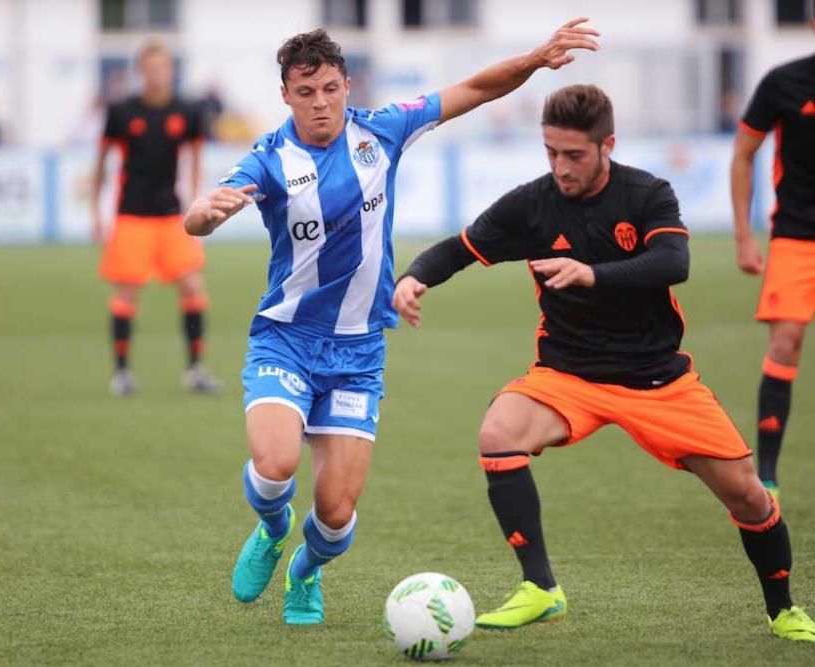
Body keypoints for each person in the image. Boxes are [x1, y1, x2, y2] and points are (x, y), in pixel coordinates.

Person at [183, 22, 599, 625]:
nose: (320, 102)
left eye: (330, 88)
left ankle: (306, 570)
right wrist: (201, 214)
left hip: (358, 354)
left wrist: (535, 59)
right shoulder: (269, 158)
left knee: (334, 512)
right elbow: (205, 213)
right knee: (275, 467)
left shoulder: (382, 130)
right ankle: (272, 530)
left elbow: (474, 89)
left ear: (347, 84)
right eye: (306, 93)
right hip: (287, 338)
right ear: (286, 96)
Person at [393, 84, 814, 642]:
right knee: (499, 432)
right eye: (551, 153)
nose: (561, 168)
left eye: (574, 155)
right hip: (567, 376)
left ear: (607, 145)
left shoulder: (647, 194)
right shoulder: (533, 203)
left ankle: (783, 609)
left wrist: (593, 273)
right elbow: (460, 247)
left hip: (659, 379)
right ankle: (541, 590)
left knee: (749, 495)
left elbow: (673, 261)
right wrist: (414, 277)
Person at [92, 42, 220, 396]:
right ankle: (121, 373)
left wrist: (197, 203)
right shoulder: (121, 112)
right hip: (132, 214)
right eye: (150, 67)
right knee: (127, 293)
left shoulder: (188, 111)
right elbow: (102, 161)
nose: (158, 73)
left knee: (194, 288)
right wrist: (95, 212)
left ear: (171, 70)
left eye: (163, 67)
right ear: (140, 71)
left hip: (171, 215)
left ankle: (195, 369)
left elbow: (195, 158)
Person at [729, 7, 815, 499]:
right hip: (797, 237)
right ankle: (768, 479)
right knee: (785, 345)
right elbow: (743, 152)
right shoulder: (784, 83)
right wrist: (743, 232)